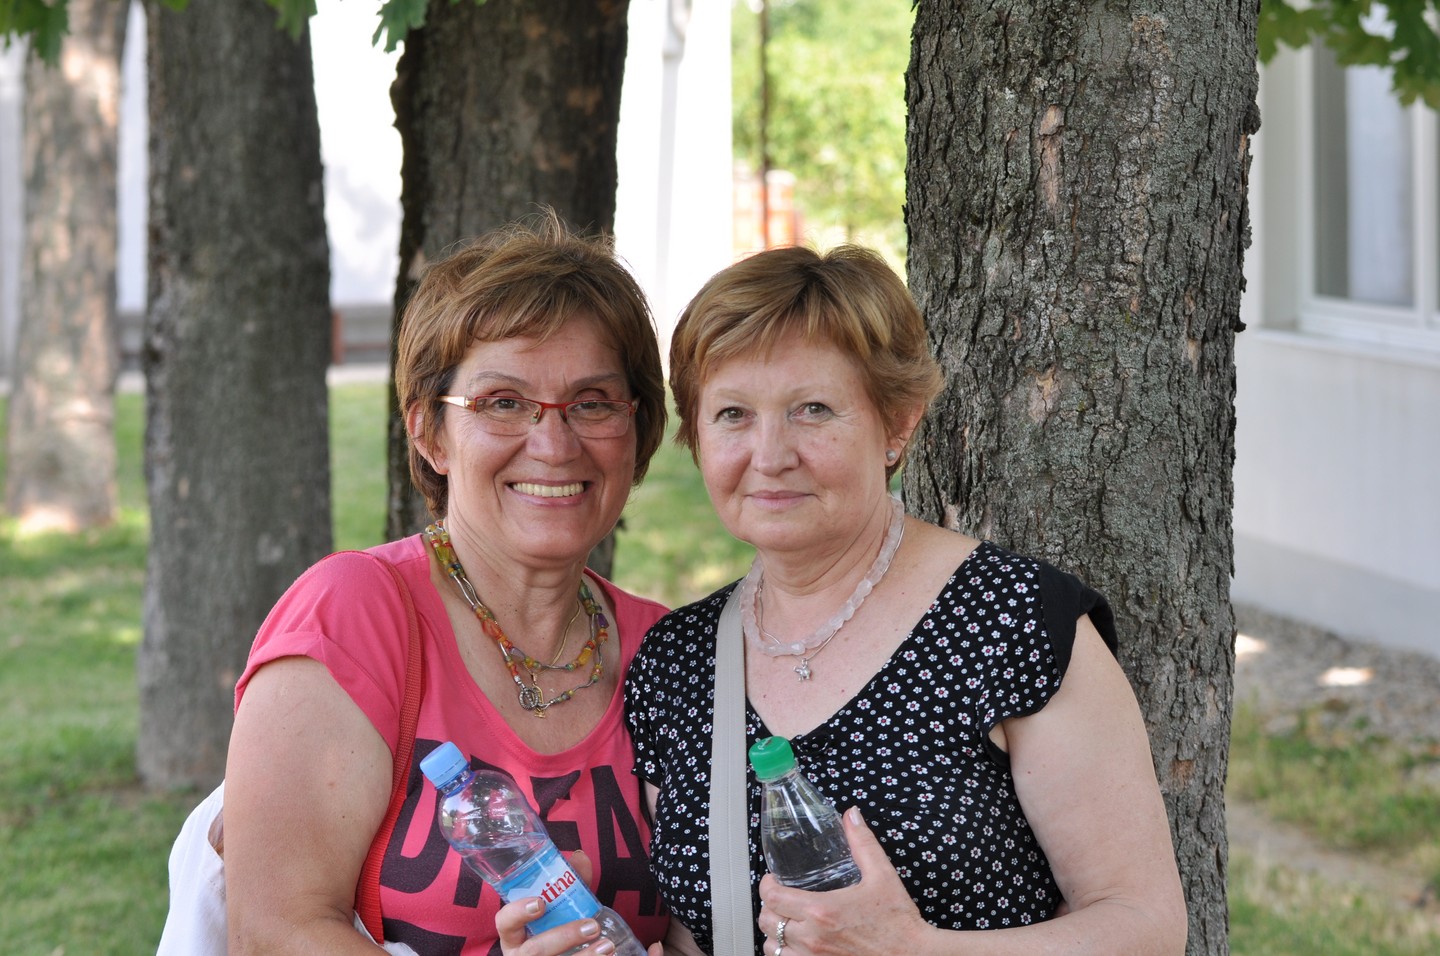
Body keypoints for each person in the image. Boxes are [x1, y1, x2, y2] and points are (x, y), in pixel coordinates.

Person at [624, 245, 1188, 955]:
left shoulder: (1010, 620)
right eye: (733, 414)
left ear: (897, 424)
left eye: (813, 410)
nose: (769, 455)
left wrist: (911, 948)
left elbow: (1146, 926)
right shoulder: (676, 662)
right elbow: (697, 930)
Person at [221, 213, 672, 954]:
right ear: (430, 433)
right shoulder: (354, 614)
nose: (554, 443)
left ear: (637, 430)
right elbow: (272, 931)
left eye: (592, 402)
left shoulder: (670, 651)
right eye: (504, 403)